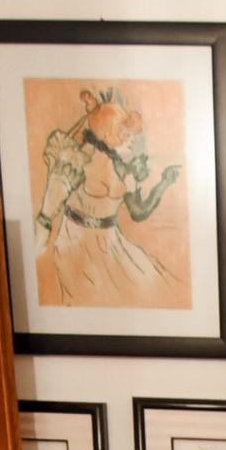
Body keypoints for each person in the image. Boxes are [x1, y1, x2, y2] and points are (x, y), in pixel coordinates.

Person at [34, 88, 182, 305]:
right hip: (74, 244)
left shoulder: (121, 169)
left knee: (147, 283)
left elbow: (138, 212)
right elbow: (54, 197)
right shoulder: (76, 157)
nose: (132, 141)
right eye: (126, 134)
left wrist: (164, 182)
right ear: (108, 134)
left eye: (132, 135)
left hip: (110, 244)